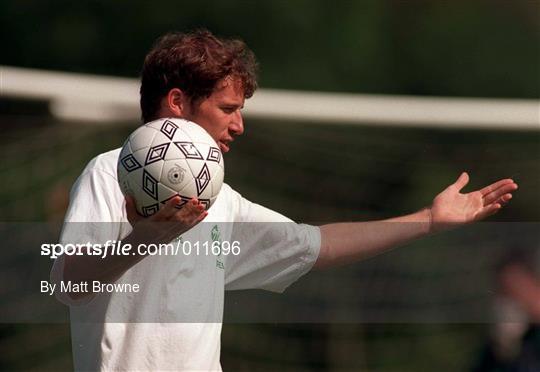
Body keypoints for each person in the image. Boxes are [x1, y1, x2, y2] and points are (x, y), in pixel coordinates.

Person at [51, 29, 518, 371]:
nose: (239, 126)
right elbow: (70, 284)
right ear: (177, 101)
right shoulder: (110, 174)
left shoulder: (224, 205)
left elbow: (318, 245)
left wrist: (427, 220)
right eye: (228, 109)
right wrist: (146, 238)